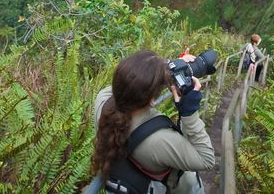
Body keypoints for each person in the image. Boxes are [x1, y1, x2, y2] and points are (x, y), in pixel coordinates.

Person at [91, 50, 216, 193]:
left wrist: (159, 70)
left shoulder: (102, 101)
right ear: (151, 101)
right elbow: (207, 159)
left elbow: (128, 84)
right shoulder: (160, 140)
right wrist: (190, 113)